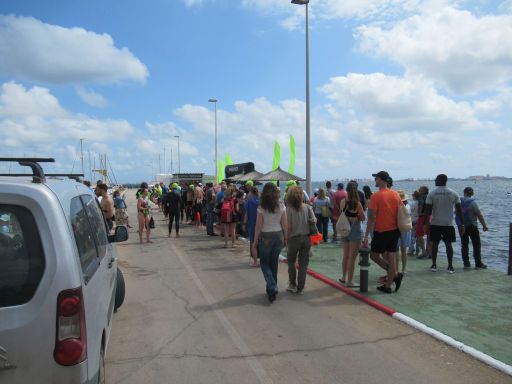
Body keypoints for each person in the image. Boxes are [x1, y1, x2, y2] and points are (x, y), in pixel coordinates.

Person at [363, 171, 403, 293]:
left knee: (374, 256)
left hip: (382, 231)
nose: (375, 181)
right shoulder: (395, 194)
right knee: (391, 257)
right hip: (395, 230)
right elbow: (401, 211)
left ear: (381, 180)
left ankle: (395, 275)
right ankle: (388, 285)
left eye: (376, 179)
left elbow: (370, 218)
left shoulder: (375, 196)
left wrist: (366, 236)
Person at [252, 183, 287, 303]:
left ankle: (272, 286)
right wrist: (286, 238)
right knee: (274, 264)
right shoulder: (281, 205)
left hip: (266, 235)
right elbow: (284, 224)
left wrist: (255, 241)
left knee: (264, 263)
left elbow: (258, 226)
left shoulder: (262, 206)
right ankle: (271, 292)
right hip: (278, 235)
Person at [424, 174, 463, 273]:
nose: (435, 181)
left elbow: (427, 211)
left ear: (441, 180)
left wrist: (425, 224)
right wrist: (462, 224)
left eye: (436, 179)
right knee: (448, 244)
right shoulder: (454, 193)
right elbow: (459, 210)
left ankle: (434, 265)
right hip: (448, 223)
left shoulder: (432, 194)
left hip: (435, 223)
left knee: (435, 244)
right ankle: (450, 266)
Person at [285, 186, 313, 295]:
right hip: (306, 238)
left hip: (294, 239)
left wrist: (285, 239)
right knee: (303, 264)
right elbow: (314, 220)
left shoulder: (289, 209)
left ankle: (292, 284)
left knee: (291, 262)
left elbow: (289, 227)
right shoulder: (307, 207)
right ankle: (301, 287)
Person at [339, 182, 365, 288]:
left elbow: (343, 213)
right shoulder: (357, 204)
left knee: (345, 256)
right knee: (352, 258)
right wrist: (357, 216)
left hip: (345, 229)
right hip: (355, 230)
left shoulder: (343, 201)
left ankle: (343, 277)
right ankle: (350, 281)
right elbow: (363, 218)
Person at [457, 187, 488, 269]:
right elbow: (479, 215)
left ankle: (466, 263)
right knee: (476, 244)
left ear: (464, 193)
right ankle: (478, 263)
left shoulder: (459, 201)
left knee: (464, 245)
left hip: (461, 226)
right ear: (472, 194)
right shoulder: (473, 203)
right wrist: (484, 225)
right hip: (472, 226)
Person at [397, 191, 411, 274]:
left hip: (397, 229)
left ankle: (398, 269)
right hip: (406, 229)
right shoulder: (408, 206)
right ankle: (404, 269)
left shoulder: (397, 206)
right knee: (403, 250)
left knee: (396, 250)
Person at [245, 187, 260, 266]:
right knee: (260, 243)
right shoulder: (260, 201)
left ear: (251, 192)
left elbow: (246, 214)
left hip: (252, 224)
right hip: (261, 225)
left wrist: (244, 223)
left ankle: (255, 261)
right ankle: (261, 260)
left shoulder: (249, 201)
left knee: (253, 243)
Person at [416, 186, 431, 259]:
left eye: (420, 190)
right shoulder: (430, 196)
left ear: (424, 191)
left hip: (423, 217)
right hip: (430, 217)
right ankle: (429, 251)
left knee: (419, 234)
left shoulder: (421, 197)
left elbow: (420, 206)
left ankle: (424, 251)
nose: (418, 191)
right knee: (429, 234)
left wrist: (419, 213)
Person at [408, 191, 419, 255]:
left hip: (413, 221)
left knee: (412, 236)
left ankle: (411, 249)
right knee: (418, 236)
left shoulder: (412, 204)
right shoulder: (420, 203)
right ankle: (418, 249)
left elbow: (409, 212)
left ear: (414, 196)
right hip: (419, 221)